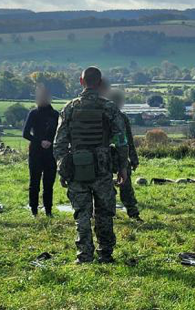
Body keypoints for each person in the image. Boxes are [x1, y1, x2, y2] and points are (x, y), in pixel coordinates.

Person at [53, 67, 129, 264]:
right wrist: (122, 167)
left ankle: (84, 256)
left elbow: (59, 143)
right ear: (100, 82)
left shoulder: (69, 108)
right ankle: (105, 254)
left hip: (77, 168)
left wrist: (63, 168)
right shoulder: (109, 107)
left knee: (82, 214)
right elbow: (121, 140)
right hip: (103, 168)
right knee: (104, 212)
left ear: (81, 81)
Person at [22, 86, 59, 217]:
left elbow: (59, 134)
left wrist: (50, 141)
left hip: (51, 154)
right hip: (36, 153)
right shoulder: (33, 113)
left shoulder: (56, 115)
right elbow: (25, 134)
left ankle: (48, 210)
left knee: (49, 184)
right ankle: (34, 210)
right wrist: (40, 141)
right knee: (34, 183)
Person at [107, 89, 142, 221]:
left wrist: (133, 158)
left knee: (120, 187)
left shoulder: (119, 117)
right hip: (112, 155)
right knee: (120, 186)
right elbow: (128, 141)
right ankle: (131, 213)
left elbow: (127, 140)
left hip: (110, 155)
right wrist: (133, 159)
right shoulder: (120, 117)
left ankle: (129, 212)